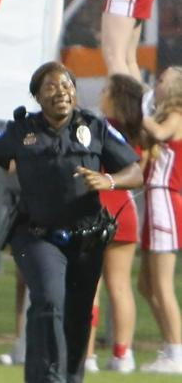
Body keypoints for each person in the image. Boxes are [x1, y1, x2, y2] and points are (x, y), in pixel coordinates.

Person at [0, 61, 143, 383]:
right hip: (37, 236)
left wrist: (109, 180)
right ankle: (46, 378)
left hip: (86, 238)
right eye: (51, 87)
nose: (60, 92)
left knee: (78, 315)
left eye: (66, 86)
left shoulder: (95, 127)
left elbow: (135, 171)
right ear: (37, 95)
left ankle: (69, 377)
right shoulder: (20, 131)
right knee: (49, 300)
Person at [87, 73, 145, 372]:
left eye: (106, 89)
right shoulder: (139, 130)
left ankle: (87, 357)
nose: (101, 92)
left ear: (116, 96)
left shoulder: (98, 128)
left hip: (99, 209)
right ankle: (123, 354)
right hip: (126, 210)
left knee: (90, 286)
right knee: (120, 286)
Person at [137, 72, 182, 373]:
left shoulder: (177, 114)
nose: (158, 83)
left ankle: (177, 352)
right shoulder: (163, 115)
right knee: (145, 284)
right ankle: (169, 345)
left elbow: (159, 132)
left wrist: (139, 108)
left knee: (163, 284)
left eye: (163, 79)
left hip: (166, 198)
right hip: (154, 199)